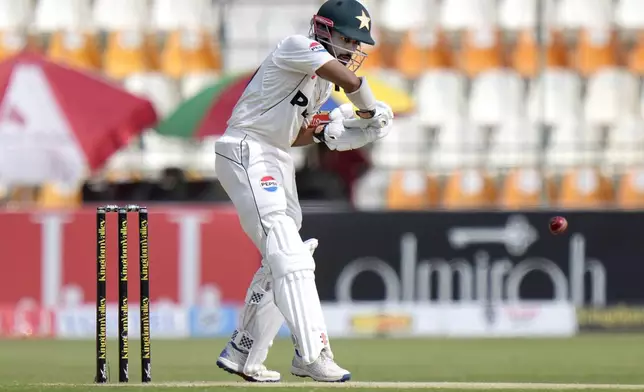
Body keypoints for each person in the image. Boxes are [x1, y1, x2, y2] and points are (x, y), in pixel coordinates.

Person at [214, 0, 394, 383]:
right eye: (348, 39)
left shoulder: (322, 82)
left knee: (284, 256)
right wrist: (368, 112)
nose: (353, 49)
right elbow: (353, 84)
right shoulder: (297, 46)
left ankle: (243, 350)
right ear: (324, 30)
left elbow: (293, 134)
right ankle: (312, 353)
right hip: (246, 147)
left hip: (275, 155)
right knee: (290, 254)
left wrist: (330, 133)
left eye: (357, 42)